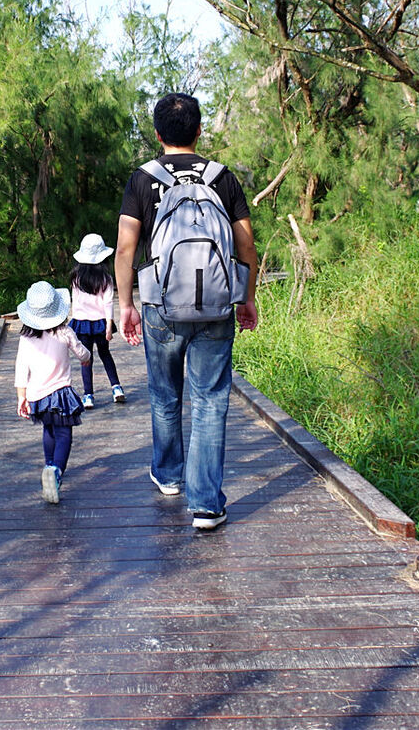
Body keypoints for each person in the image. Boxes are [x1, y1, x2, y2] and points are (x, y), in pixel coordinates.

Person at [114, 93, 259, 531]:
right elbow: (247, 245)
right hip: (215, 307)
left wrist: (126, 304)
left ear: (158, 135)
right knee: (211, 401)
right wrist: (246, 297)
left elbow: (125, 246)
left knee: (164, 394)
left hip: (161, 304)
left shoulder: (143, 179)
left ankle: (169, 475)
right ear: (199, 131)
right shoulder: (222, 178)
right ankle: (207, 505)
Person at [15, 280, 92, 505]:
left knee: (48, 429)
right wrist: (87, 359)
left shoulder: (26, 338)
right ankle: (57, 471)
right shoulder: (64, 332)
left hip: (37, 395)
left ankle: (49, 464)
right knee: (64, 433)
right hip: (60, 393)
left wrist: (21, 396)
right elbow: (82, 353)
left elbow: (21, 368)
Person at [68, 233, 126, 409]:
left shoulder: (76, 278)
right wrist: (109, 325)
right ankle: (116, 388)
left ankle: (88, 396)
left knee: (86, 359)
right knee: (105, 354)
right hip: (101, 323)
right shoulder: (106, 278)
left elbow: (75, 304)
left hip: (82, 323)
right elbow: (108, 302)